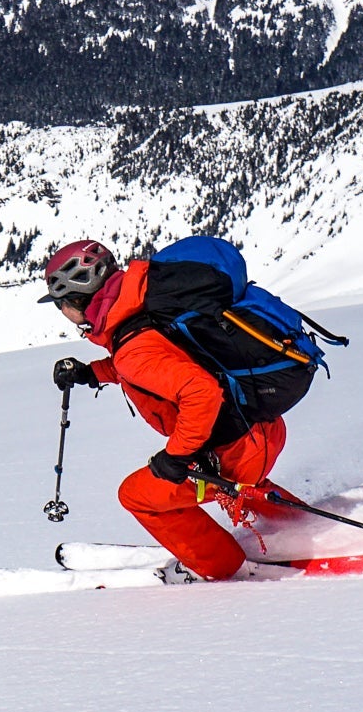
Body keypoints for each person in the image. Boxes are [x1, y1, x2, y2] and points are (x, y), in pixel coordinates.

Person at [40, 239, 294, 583]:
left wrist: (177, 457)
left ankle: (223, 568)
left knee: (137, 494)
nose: (63, 314)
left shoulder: (132, 345)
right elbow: (157, 362)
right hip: (256, 431)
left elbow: (199, 391)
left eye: (60, 305)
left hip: (234, 451)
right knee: (215, 478)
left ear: (78, 299)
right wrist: (91, 373)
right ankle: (294, 523)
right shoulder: (142, 306)